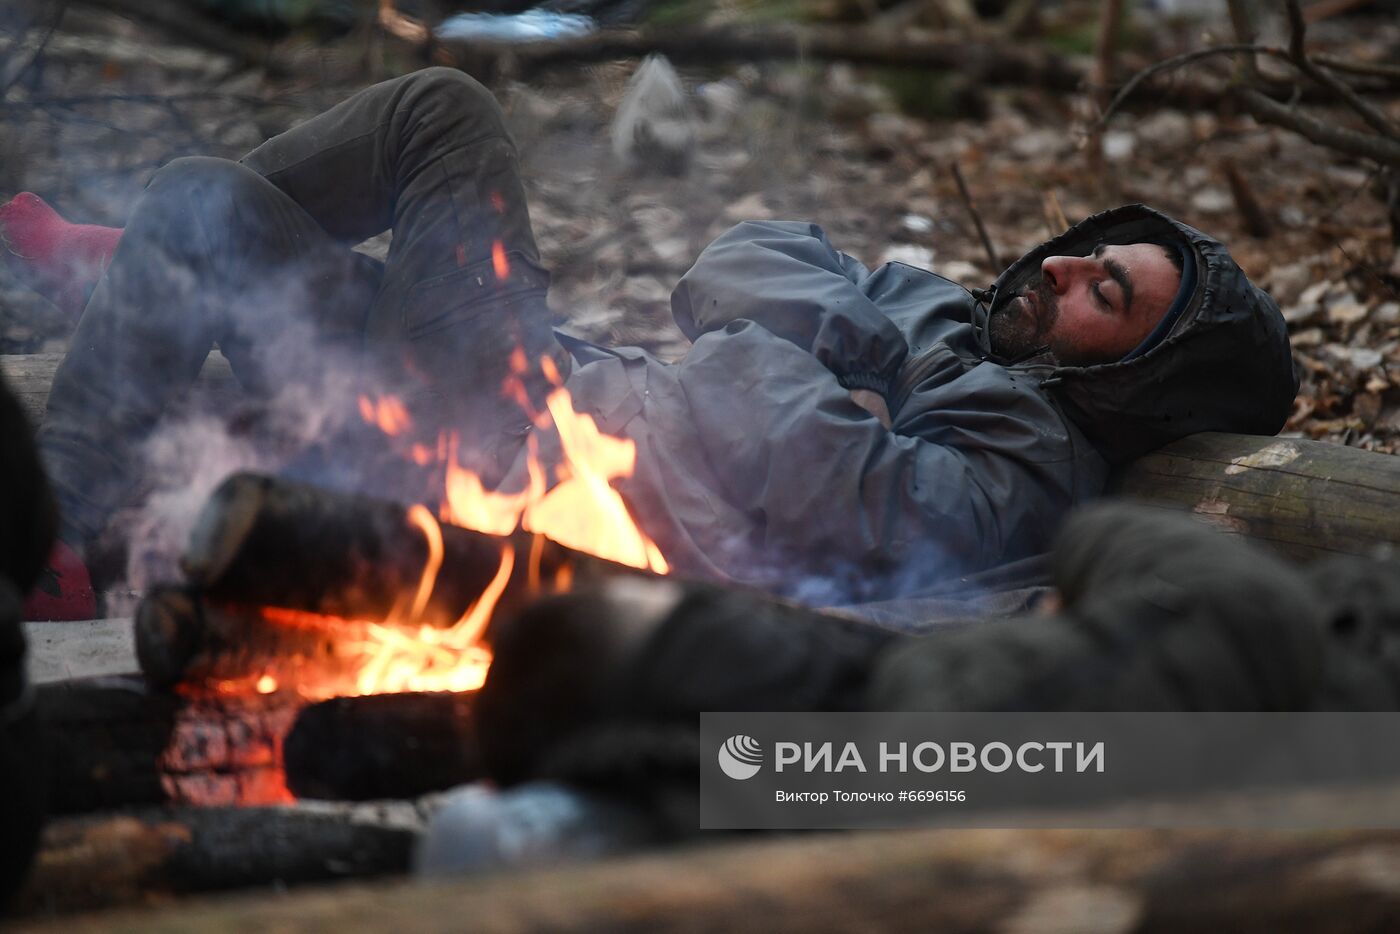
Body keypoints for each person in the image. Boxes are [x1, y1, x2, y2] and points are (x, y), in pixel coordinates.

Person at [0, 67, 1296, 619]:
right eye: (1092, 249)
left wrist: (865, 358)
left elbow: (809, 468)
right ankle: (66, 529)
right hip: (541, 390)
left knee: (445, 112)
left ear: (1121, 374)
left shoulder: (1031, 454)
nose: (1064, 265)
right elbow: (728, 267)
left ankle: (147, 271)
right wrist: (884, 347)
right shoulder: (945, 322)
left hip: (529, 459)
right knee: (203, 198)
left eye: (1103, 297)